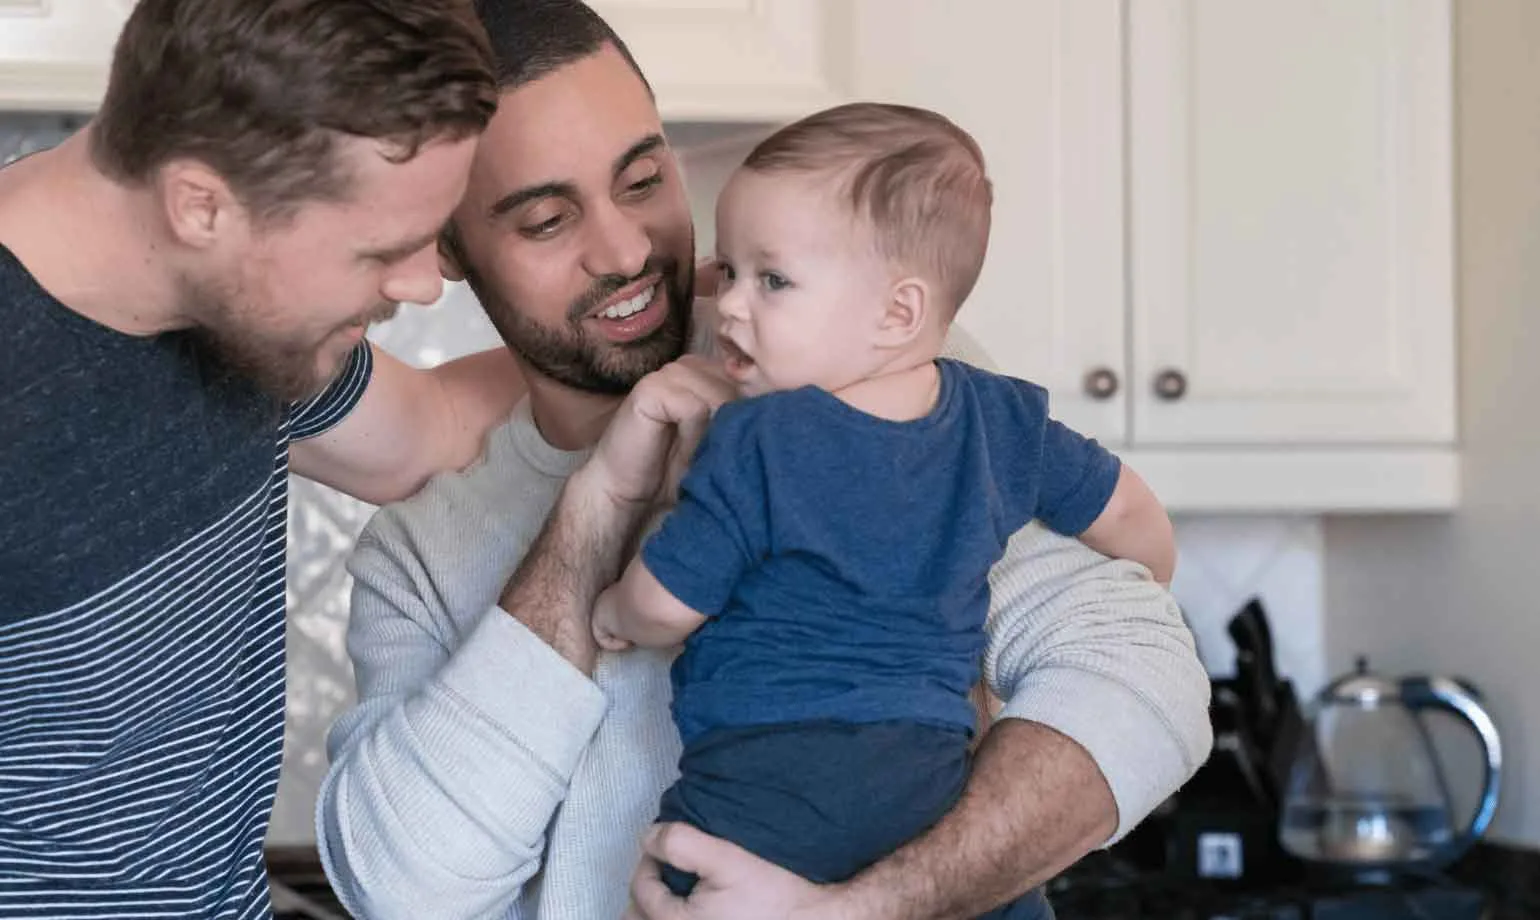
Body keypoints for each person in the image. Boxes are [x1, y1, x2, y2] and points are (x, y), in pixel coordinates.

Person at [318, 2, 1211, 919]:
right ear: (451, 247)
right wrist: (600, 503)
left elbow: (1147, 681)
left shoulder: (875, 386)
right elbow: (408, 888)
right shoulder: (420, 552)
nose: (626, 250)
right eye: (547, 219)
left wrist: (858, 911)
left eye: (643, 179)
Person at [0, 1, 526, 917]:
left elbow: (430, 435)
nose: (421, 282)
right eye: (383, 250)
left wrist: (709, 335)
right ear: (201, 203)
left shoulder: (236, 311)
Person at [587, 102, 1176, 914]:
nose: (727, 305)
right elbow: (1137, 522)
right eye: (729, 272)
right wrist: (1153, 578)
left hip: (768, 795)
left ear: (897, 312)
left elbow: (667, 605)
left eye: (773, 280)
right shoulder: (1005, 421)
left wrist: (615, 611)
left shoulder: (762, 435)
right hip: (930, 790)